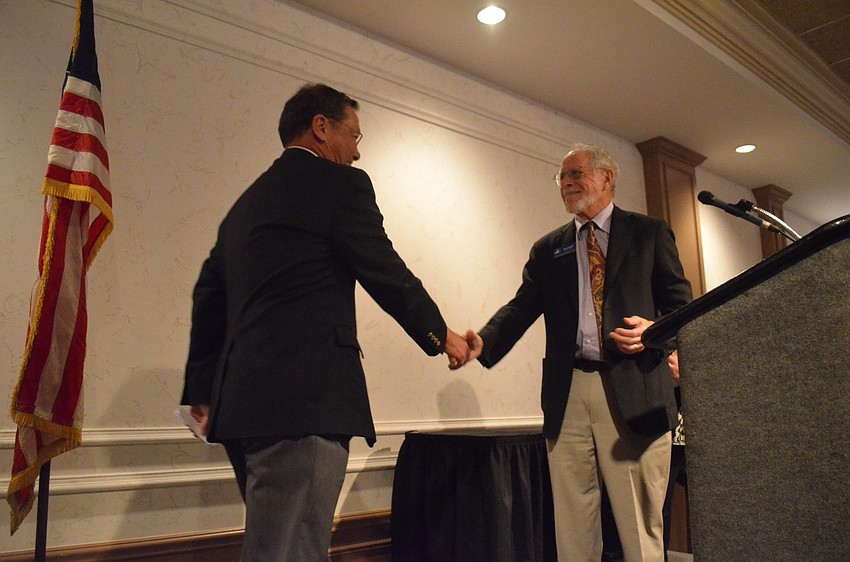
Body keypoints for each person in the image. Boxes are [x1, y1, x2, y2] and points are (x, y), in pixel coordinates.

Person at [181, 83, 470, 562]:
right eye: (354, 136)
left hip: (240, 411)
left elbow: (208, 298)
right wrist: (443, 337)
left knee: (282, 547)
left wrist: (201, 391)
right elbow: (385, 270)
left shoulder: (243, 206)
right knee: (291, 550)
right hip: (305, 404)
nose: (356, 153)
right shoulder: (341, 185)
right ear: (321, 127)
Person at [465, 143, 692, 562]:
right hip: (567, 392)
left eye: (576, 174)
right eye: (562, 177)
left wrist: (655, 332)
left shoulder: (649, 233)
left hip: (633, 387)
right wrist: (484, 340)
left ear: (607, 178)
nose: (567, 184)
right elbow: (521, 306)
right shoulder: (549, 248)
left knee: (638, 527)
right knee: (572, 523)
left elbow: (684, 307)